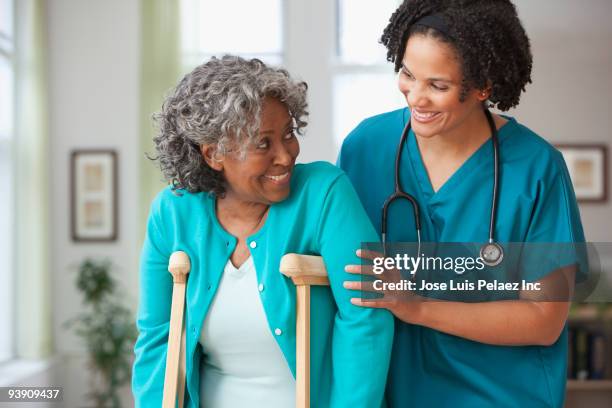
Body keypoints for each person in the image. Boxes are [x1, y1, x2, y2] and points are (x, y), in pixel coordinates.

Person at [338, 1, 585, 407]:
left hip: (501, 396)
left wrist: (417, 307)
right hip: (392, 394)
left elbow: (544, 320)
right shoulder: (365, 147)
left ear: (482, 86)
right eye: (406, 74)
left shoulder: (537, 167)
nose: (416, 97)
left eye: (438, 85)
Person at [131, 55, 393, 408]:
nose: (286, 156)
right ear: (213, 154)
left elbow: (366, 316)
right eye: (263, 143)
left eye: (289, 134)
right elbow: (157, 338)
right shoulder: (172, 213)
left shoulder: (325, 193)